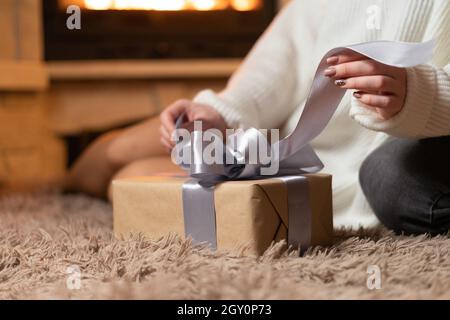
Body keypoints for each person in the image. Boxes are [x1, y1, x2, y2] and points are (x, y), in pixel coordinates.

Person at [65, 0, 450, 234]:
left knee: (130, 178)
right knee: (113, 153)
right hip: (266, 134)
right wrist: (223, 111)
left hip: (320, 174)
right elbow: (286, 52)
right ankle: (65, 182)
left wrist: (420, 95)